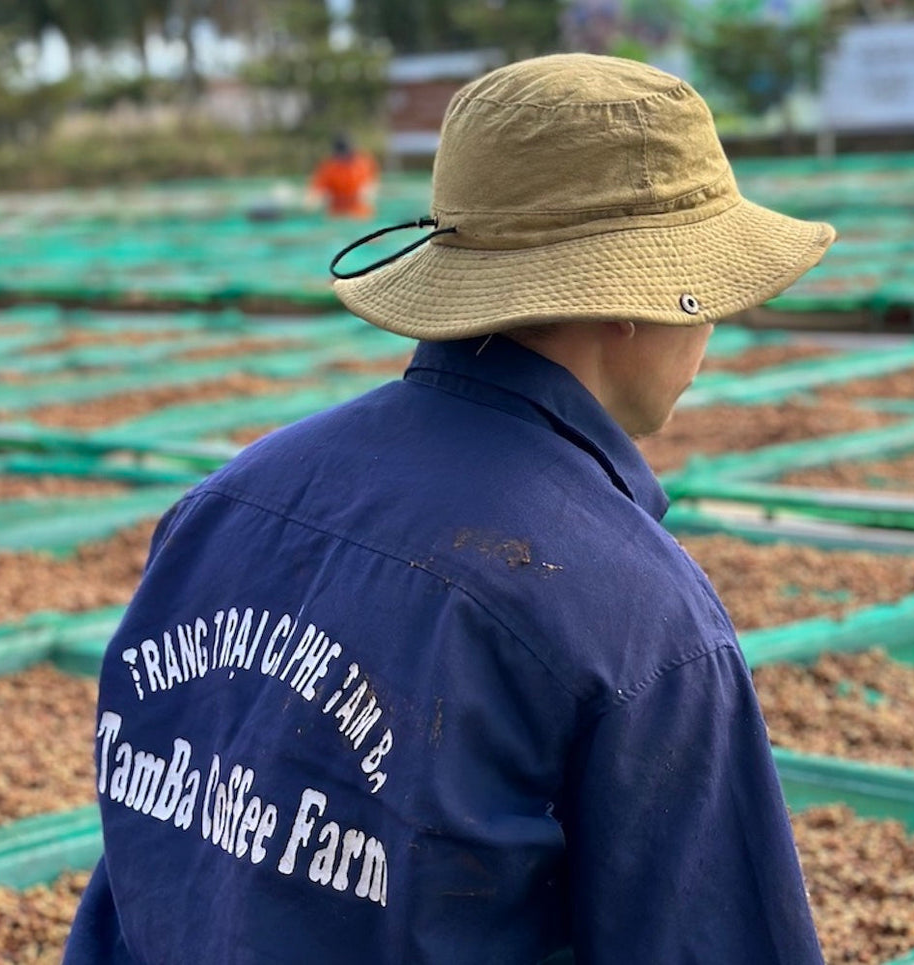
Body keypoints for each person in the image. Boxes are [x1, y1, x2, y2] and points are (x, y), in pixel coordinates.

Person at [64, 53, 834, 964]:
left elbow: (138, 882)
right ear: (632, 300)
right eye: (713, 288)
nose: (715, 327)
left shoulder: (226, 502)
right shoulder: (633, 617)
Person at [307, 132, 379, 218]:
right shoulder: (328, 167)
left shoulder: (364, 162)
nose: (345, 158)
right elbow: (316, 192)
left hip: (360, 212)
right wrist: (314, 200)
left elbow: (370, 187)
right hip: (336, 213)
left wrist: (367, 192)